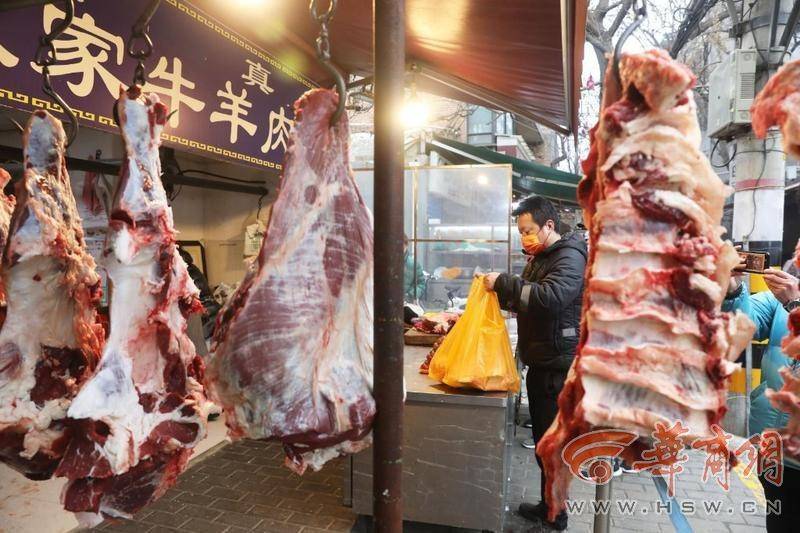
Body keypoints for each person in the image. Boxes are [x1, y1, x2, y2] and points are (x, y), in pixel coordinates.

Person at [484, 195, 587, 531]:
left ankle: (555, 515)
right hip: (544, 359)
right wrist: (503, 294)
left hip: (557, 365)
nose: (524, 237)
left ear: (549, 225)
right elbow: (528, 296)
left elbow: (550, 298)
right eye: (521, 232)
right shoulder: (543, 256)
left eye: (528, 230)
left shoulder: (569, 256)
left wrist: (503, 282)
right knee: (546, 441)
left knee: (552, 444)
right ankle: (548, 506)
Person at [723, 259, 800, 533]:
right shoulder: (783, 294)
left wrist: (795, 307)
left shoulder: (791, 298)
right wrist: (732, 289)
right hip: (774, 446)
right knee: (779, 521)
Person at [403, 234, 425, 302]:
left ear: (406, 246)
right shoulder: (385, 263)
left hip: (407, 303)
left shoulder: (414, 264)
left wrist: (410, 295)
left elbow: (421, 284)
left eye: (402, 246)